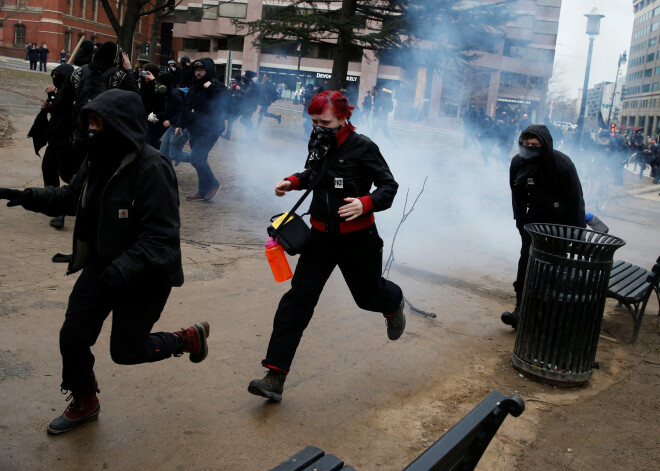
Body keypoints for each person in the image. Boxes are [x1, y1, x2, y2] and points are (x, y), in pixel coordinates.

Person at [0, 89, 210, 435]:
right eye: (89, 122)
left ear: (121, 124)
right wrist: (27, 197)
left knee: (126, 352)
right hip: (104, 267)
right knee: (73, 337)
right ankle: (85, 400)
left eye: (99, 122)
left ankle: (185, 339)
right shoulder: (97, 157)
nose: (92, 129)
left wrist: (122, 270)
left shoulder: (152, 167)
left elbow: (161, 237)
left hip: (145, 277)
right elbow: (71, 197)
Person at [247, 90, 405, 402]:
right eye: (315, 121)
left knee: (367, 296)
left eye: (325, 121)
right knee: (297, 302)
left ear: (345, 118)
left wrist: (366, 202)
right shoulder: (318, 140)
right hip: (319, 238)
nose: (318, 126)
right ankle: (275, 375)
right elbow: (314, 174)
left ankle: (393, 302)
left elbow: (389, 186)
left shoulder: (364, 147)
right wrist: (292, 181)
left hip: (359, 239)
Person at [501, 124, 586, 329]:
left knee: (555, 265)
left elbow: (576, 201)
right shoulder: (518, 163)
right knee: (527, 261)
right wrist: (521, 223)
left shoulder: (562, 165)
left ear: (545, 145)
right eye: (526, 144)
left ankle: (550, 311)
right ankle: (521, 308)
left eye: (534, 145)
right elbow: (518, 196)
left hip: (562, 221)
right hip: (534, 220)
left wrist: (577, 235)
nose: (529, 148)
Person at [174, 58, 228, 201]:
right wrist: (180, 124)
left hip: (210, 130)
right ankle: (202, 190)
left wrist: (210, 87)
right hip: (195, 129)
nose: (198, 73)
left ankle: (213, 184)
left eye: (201, 70)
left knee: (196, 158)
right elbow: (186, 106)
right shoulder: (194, 86)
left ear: (208, 71)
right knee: (199, 159)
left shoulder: (216, 86)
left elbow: (227, 102)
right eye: (196, 70)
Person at [41, 63, 79, 229]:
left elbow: (63, 108)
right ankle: (55, 206)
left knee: (67, 175)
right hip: (54, 141)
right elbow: (56, 112)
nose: (54, 78)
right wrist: (49, 104)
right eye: (53, 75)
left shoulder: (72, 93)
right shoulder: (60, 91)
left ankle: (72, 203)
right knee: (48, 170)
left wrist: (52, 97)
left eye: (57, 75)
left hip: (67, 143)